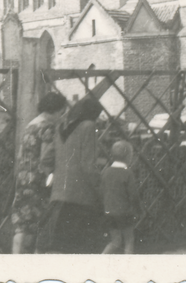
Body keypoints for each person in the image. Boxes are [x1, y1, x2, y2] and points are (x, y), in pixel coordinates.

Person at [38, 96, 105, 253]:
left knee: (60, 249)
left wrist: (56, 175)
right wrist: (100, 189)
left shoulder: (61, 126)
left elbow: (45, 158)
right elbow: (88, 166)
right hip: (82, 199)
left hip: (59, 197)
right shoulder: (88, 126)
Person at [11, 91, 67, 254]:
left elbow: (22, 152)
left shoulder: (32, 124)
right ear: (55, 110)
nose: (61, 116)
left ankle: (15, 258)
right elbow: (46, 157)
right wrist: (51, 177)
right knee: (38, 221)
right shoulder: (48, 127)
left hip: (23, 177)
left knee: (22, 222)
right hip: (38, 179)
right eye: (61, 112)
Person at [101, 140, 140, 254]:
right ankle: (127, 266)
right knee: (129, 240)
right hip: (124, 212)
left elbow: (101, 191)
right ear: (128, 156)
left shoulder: (106, 172)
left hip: (109, 212)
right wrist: (138, 210)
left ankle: (99, 262)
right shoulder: (127, 173)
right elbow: (133, 195)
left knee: (115, 240)